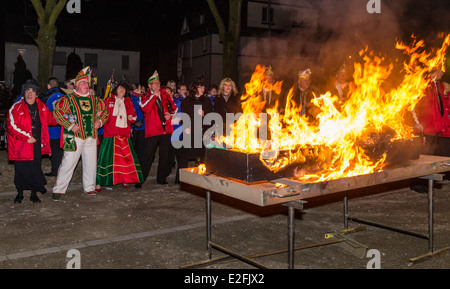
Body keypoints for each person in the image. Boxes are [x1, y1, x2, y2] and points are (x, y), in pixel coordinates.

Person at [51, 67, 108, 201]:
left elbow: (105, 112)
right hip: (74, 137)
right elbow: (57, 113)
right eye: (83, 83)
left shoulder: (95, 100)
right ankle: (59, 189)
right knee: (68, 163)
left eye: (87, 83)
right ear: (76, 84)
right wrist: (70, 126)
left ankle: (89, 187)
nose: (86, 86)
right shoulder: (69, 99)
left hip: (91, 136)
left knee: (90, 163)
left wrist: (100, 122)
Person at [7, 79, 57, 203]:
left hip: (36, 144)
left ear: (37, 93)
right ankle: (20, 194)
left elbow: (52, 119)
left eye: (33, 90)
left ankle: (34, 194)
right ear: (24, 92)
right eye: (27, 90)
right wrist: (26, 137)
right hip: (21, 145)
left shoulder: (42, 107)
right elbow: (11, 126)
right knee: (21, 170)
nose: (30, 93)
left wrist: (67, 118)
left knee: (35, 168)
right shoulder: (16, 107)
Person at [96, 81, 143, 191]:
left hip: (123, 134)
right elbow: (103, 115)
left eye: (124, 89)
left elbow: (134, 116)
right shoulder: (108, 100)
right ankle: (99, 182)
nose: (122, 90)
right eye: (119, 88)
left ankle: (124, 179)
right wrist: (99, 115)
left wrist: (131, 118)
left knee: (124, 160)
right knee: (106, 159)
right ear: (115, 90)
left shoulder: (128, 102)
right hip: (110, 134)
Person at [139, 71, 177, 185]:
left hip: (166, 130)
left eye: (158, 83)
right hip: (153, 131)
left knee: (164, 156)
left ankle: (161, 178)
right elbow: (145, 109)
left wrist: (171, 114)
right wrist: (154, 96)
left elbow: (174, 108)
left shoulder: (165, 95)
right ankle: (140, 179)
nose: (157, 85)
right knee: (148, 156)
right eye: (154, 83)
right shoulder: (144, 96)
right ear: (149, 86)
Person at [176, 81, 213, 183]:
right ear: (195, 88)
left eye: (203, 87)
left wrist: (204, 115)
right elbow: (184, 116)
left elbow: (210, 117)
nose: (203, 89)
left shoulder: (206, 101)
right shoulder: (187, 101)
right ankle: (180, 179)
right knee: (184, 157)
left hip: (201, 133)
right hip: (189, 132)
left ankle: (199, 179)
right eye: (200, 87)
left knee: (200, 157)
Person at [42, 77, 66, 177]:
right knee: (61, 151)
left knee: (54, 151)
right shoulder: (64, 96)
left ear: (48, 85)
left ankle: (55, 171)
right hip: (63, 129)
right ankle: (62, 170)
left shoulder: (46, 98)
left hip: (51, 129)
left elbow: (43, 114)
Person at [129, 83, 146, 188]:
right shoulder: (130, 98)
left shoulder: (141, 98)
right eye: (140, 89)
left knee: (140, 153)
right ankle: (129, 175)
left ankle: (137, 178)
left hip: (142, 128)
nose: (142, 90)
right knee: (131, 152)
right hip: (133, 128)